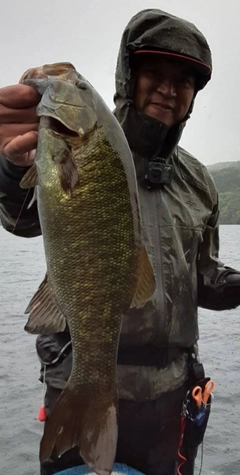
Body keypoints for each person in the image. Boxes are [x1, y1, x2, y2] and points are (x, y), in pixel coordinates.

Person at [1, 8, 240, 475]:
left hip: (172, 398)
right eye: (155, 73)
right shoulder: (78, 144)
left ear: (194, 95)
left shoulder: (199, 182)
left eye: (184, 80)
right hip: (77, 373)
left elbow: (203, 279)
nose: (170, 89)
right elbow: (22, 218)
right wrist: (13, 170)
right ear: (128, 77)